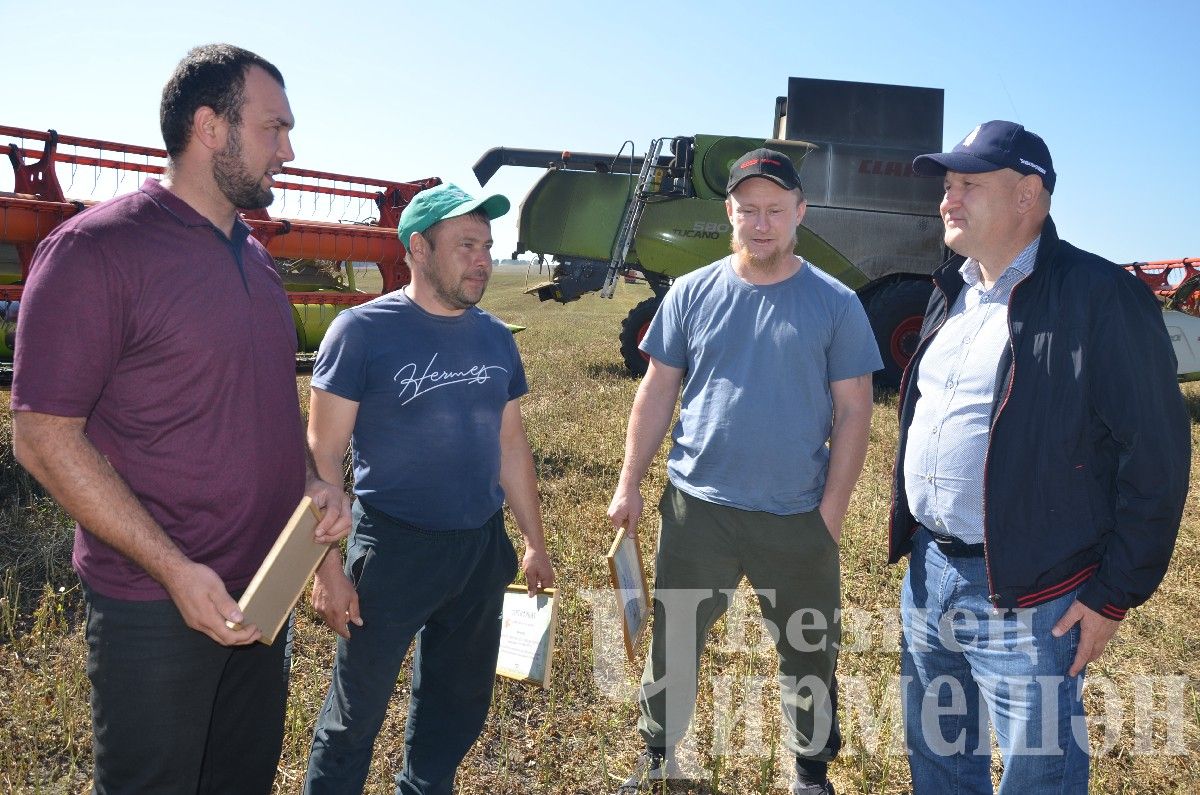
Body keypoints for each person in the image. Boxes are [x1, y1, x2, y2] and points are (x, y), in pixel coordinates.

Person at [10, 44, 352, 794]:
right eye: (274, 129)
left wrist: (310, 486)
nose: (289, 151)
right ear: (209, 127)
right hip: (155, 609)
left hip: (262, 596)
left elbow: (263, 408)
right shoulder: (98, 249)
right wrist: (173, 570)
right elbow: (41, 434)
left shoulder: (256, 261)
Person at [890, 120, 1189, 794]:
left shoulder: (1100, 297)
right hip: (929, 575)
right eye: (947, 183)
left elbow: (1157, 456)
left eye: (969, 183)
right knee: (939, 756)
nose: (948, 197)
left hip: (1035, 595)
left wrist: (1114, 596)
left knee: (1038, 773)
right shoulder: (953, 290)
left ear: (1029, 196)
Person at [607, 148, 880, 795]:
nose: (762, 223)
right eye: (749, 209)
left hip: (796, 514)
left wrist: (831, 512)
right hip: (696, 509)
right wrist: (628, 482)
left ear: (800, 213)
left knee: (809, 649)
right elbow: (655, 394)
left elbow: (855, 411)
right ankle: (658, 753)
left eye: (775, 211)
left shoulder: (836, 304)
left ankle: (810, 771)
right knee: (674, 638)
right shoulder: (692, 294)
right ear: (729, 211)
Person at [302, 182, 556, 795]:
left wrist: (533, 540)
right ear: (418, 248)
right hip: (391, 550)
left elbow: (511, 447)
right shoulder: (361, 331)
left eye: (488, 246)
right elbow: (322, 457)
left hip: (478, 550)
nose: (483, 260)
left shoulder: (495, 337)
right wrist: (325, 568)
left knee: (456, 707)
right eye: (466, 244)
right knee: (354, 717)